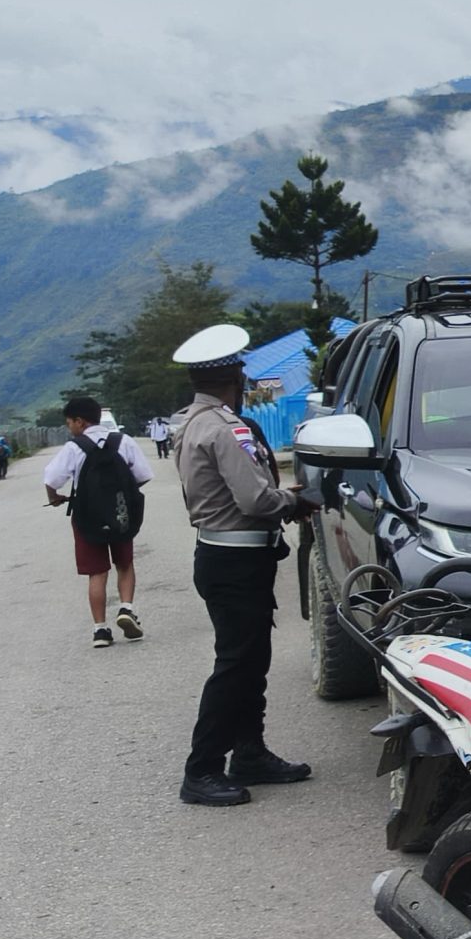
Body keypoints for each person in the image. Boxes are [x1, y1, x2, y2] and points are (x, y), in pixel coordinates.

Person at [170, 325, 317, 807]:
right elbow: (255, 499)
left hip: (226, 555)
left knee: (252, 661)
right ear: (234, 375)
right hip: (236, 558)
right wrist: (295, 502)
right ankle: (203, 768)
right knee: (236, 665)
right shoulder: (224, 427)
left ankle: (249, 752)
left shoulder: (193, 421)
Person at [41, 396, 153, 648]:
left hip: (87, 516)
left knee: (97, 572)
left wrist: (55, 498)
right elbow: (143, 475)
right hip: (121, 513)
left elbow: (51, 478)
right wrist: (123, 494)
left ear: (80, 422)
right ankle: (126, 608)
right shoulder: (123, 441)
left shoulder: (74, 447)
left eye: (69, 422)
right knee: (124, 563)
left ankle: (100, 630)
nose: (69, 427)